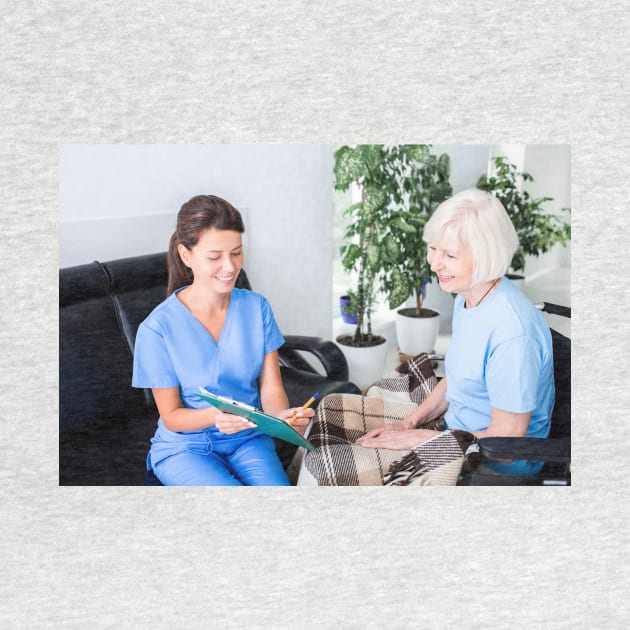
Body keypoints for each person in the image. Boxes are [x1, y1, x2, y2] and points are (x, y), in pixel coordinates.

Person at [356, 188, 555, 476]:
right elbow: (459, 378)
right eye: (433, 248)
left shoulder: (513, 333)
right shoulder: (468, 296)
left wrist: (423, 439)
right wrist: (408, 423)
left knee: (337, 469)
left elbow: (507, 442)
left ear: (486, 255)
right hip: (454, 429)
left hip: (490, 461)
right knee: (331, 409)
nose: (434, 263)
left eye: (449, 255)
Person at [132, 194, 313, 485]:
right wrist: (215, 415)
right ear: (186, 255)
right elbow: (172, 417)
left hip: (247, 438)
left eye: (237, 252)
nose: (230, 267)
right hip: (186, 447)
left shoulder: (257, 307)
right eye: (215, 257)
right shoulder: (157, 329)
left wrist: (283, 417)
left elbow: (270, 388)